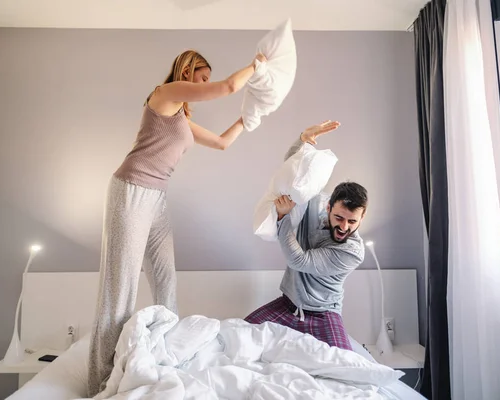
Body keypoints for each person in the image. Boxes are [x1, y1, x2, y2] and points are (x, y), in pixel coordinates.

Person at [88, 49, 267, 397]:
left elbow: (222, 143)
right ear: (186, 69)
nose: (204, 85)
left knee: (166, 281)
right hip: (131, 191)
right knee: (119, 290)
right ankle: (99, 382)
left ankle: (166, 357)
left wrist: (250, 117)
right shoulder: (164, 95)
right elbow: (228, 86)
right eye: (201, 77)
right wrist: (257, 66)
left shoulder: (181, 119)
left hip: (156, 199)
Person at [244, 121, 367, 351]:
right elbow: (291, 174)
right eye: (339, 218)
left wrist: (283, 218)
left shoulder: (353, 251)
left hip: (324, 314)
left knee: (345, 365)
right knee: (239, 333)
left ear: (362, 218)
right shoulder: (313, 204)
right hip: (287, 305)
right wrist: (302, 139)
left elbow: (299, 261)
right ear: (329, 207)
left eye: (352, 221)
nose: (344, 227)